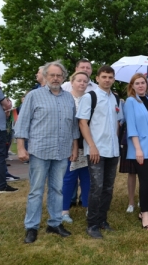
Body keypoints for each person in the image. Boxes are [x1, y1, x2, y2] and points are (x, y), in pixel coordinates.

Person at [15, 61, 79, 244]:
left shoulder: (68, 98)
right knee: (36, 190)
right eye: (52, 75)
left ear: (64, 77)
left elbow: (73, 126)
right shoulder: (34, 96)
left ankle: (55, 223)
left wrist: (74, 147)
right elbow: (22, 123)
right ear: (45, 75)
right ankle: (31, 227)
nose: (55, 78)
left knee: (57, 189)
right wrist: (20, 147)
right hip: (39, 151)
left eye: (59, 75)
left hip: (61, 152)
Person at [77, 65, 123, 239]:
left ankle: (103, 220)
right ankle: (92, 224)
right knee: (96, 188)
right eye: (104, 76)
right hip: (96, 150)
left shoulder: (116, 99)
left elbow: (117, 124)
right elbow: (82, 123)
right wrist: (92, 146)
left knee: (108, 188)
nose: (107, 80)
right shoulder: (90, 97)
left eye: (110, 77)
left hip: (112, 149)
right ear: (97, 78)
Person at [123, 73, 148, 230]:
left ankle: (144, 211)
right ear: (132, 86)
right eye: (137, 83)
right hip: (140, 148)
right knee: (145, 180)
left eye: (143, 82)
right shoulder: (131, 101)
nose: (141, 85)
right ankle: (145, 215)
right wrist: (137, 149)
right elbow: (131, 126)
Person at [61, 72, 91, 224]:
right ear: (72, 82)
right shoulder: (65, 99)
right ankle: (64, 210)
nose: (82, 83)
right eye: (79, 80)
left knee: (87, 177)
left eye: (85, 81)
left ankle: (88, 207)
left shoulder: (89, 99)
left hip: (86, 144)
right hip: (69, 144)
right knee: (69, 178)